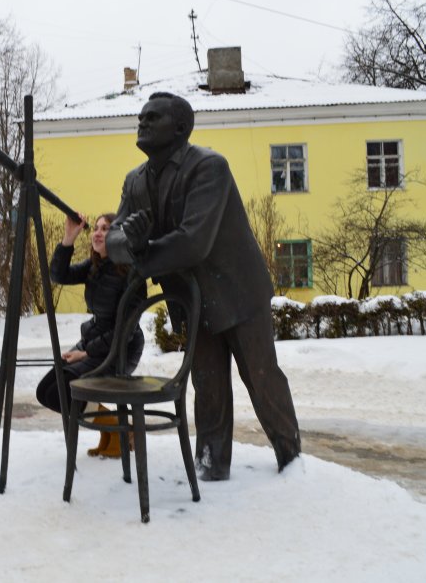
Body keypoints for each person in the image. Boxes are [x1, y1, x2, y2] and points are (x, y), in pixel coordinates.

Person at [106, 92, 301, 481]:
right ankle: (211, 465)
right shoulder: (135, 181)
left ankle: (291, 457)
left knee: (261, 378)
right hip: (193, 302)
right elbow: (114, 240)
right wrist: (128, 244)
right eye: (141, 117)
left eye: (153, 117)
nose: (142, 122)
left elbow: (194, 240)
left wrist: (140, 253)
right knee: (207, 384)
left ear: (180, 128)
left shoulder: (209, 167)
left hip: (236, 292)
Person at [35, 213, 145, 458]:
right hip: (94, 343)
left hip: (119, 350)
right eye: (96, 228)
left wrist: (86, 352)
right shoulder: (94, 267)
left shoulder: (132, 274)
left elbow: (124, 332)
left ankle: (119, 427)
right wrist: (68, 238)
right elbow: (58, 275)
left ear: (118, 236)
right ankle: (114, 429)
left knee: (60, 392)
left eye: (105, 229)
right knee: (45, 391)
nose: (97, 233)